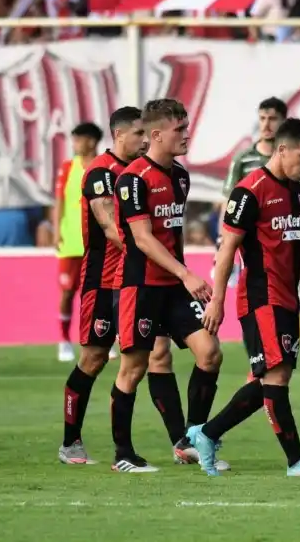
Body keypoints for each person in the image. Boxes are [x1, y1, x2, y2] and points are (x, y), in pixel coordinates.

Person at [189, 118, 300, 477]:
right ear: (282, 149)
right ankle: (297, 460)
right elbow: (227, 250)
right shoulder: (249, 191)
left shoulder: (298, 191)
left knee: (263, 380)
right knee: (278, 376)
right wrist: (218, 299)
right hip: (260, 297)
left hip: (287, 297)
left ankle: (205, 434)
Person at [108, 98, 223, 473]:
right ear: (156, 134)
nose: (186, 136)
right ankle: (123, 454)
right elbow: (141, 238)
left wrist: (181, 276)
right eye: (179, 130)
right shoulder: (133, 180)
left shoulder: (181, 176)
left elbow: (171, 233)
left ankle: (192, 439)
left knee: (209, 353)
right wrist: (186, 274)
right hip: (141, 285)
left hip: (173, 286)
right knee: (134, 368)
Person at [59, 107, 146, 465]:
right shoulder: (100, 172)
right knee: (94, 358)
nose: (145, 140)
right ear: (119, 135)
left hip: (136, 279)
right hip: (103, 280)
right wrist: (152, 255)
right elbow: (111, 228)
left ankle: (180, 439)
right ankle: (70, 442)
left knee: (152, 356)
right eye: (139, 133)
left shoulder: (143, 171)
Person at [222, 98, 300, 236]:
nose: (266, 125)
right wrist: (221, 238)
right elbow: (228, 201)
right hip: (252, 240)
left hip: (288, 236)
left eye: (272, 119)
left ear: (284, 122)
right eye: (262, 118)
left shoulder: (298, 160)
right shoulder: (243, 159)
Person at [54, 122, 102, 362]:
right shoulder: (67, 167)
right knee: (66, 293)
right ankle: (64, 341)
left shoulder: (105, 167)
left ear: (91, 141)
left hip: (96, 242)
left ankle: (100, 338)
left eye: (78, 139)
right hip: (70, 242)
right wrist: (56, 230)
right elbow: (59, 200)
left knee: (97, 293)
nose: (75, 145)